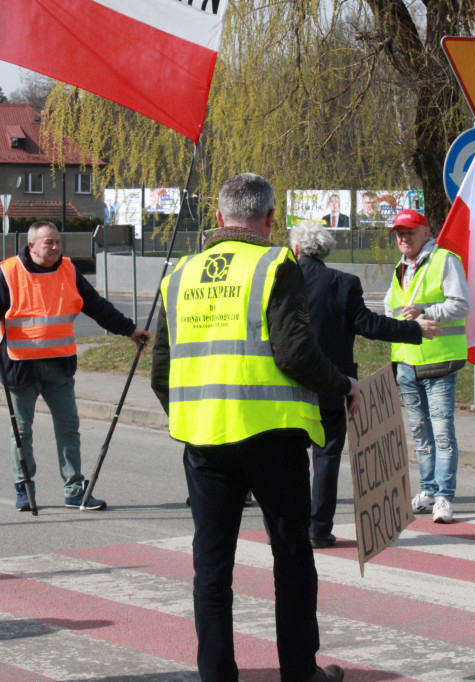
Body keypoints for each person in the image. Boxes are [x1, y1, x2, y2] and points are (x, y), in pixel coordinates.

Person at [152, 174, 354, 682]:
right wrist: (343, 385)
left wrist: (192, 412)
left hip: (203, 440)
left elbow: (161, 370)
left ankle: (217, 674)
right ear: (269, 220)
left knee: (211, 564)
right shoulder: (275, 264)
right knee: (291, 556)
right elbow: (296, 354)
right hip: (271, 436)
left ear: (219, 217)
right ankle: (299, 673)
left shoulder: (180, 274)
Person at [288, 221, 440, 548]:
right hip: (332, 383)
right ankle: (318, 529)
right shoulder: (342, 283)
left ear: (296, 249)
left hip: (286, 385)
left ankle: (292, 526)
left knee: (289, 458)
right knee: (327, 457)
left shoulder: (280, 280)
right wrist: (413, 329)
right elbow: (369, 325)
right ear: (326, 251)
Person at [0, 221, 148, 511]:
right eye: (49, 242)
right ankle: (24, 488)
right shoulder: (9, 271)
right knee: (22, 431)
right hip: (20, 366)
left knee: (69, 427)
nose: (55, 247)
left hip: (59, 365)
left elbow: (97, 306)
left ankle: (74, 490)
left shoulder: (69, 270)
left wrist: (130, 330)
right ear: (32, 246)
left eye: (57, 241)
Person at [384, 209, 470, 524]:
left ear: (426, 232)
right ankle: (428, 490)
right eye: (399, 233)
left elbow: (461, 304)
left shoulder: (444, 260)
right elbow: (392, 309)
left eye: (409, 231)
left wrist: (426, 312)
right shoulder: (400, 268)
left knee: (442, 433)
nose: (403, 238)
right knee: (420, 434)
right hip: (407, 362)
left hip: (439, 361)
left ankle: (445, 495)